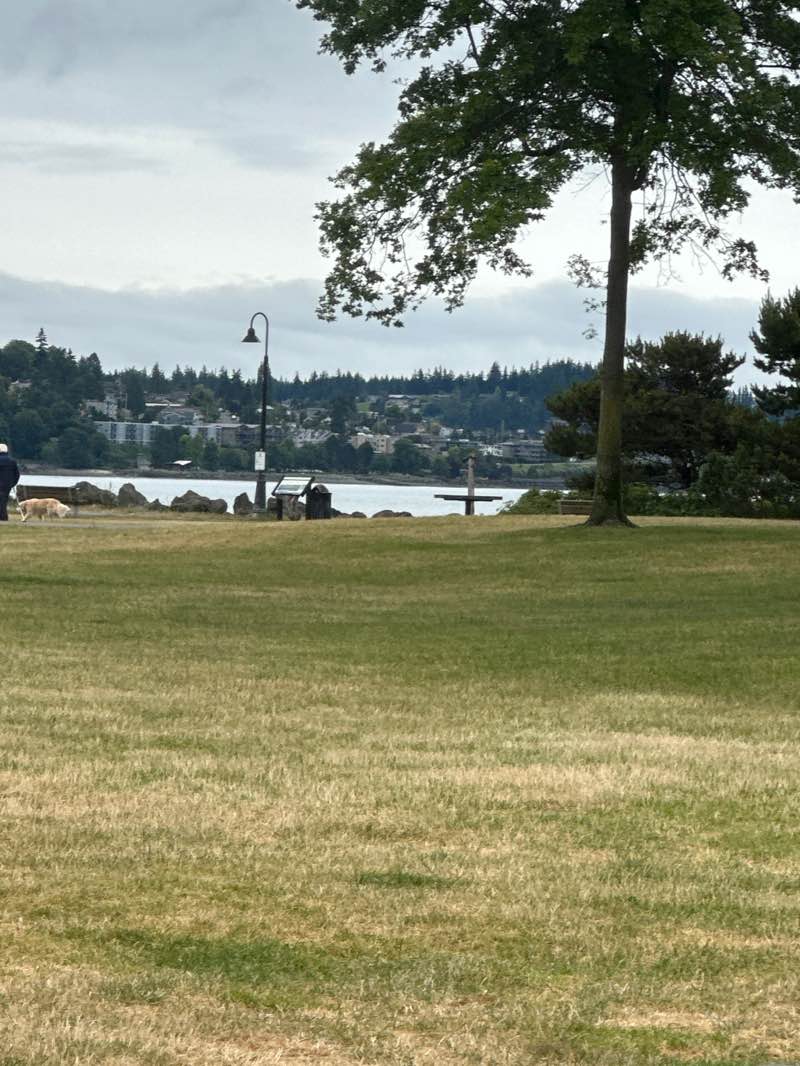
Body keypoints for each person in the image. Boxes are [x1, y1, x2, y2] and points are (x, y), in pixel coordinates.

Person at [0, 443, 20, 522]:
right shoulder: (12, 461)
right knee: (4, 500)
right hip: (7, 485)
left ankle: (2, 517)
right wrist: (12, 484)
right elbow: (17, 474)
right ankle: (3, 516)